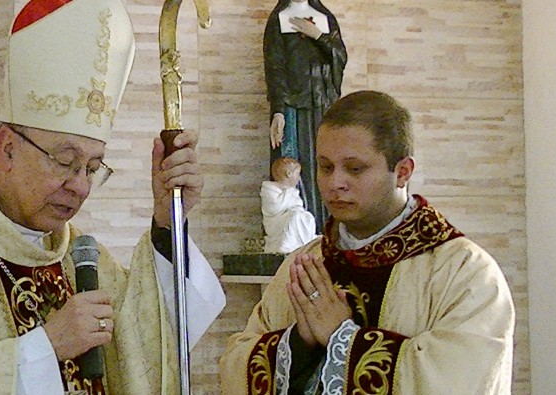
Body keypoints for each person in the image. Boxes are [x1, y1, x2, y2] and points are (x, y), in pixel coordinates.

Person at [0, 0, 226, 393]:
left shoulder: (79, 254)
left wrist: (168, 219)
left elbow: (149, 348)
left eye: (93, 168)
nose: (79, 186)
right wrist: (47, 346)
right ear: (8, 148)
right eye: (65, 161)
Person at [220, 91, 515, 394]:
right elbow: (236, 363)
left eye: (354, 168)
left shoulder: (465, 273)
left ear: (402, 172)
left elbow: (462, 380)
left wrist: (342, 338)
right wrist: (297, 344)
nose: (335, 182)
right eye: (325, 166)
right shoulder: (304, 265)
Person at [264, 0, 347, 232]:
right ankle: (299, 230)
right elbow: (275, 67)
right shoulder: (279, 18)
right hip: (292, 105)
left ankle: (328, 228)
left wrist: (319, 36)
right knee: (293, 163)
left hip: (323, 104)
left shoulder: (324, 17)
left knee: (326, 162)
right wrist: (278, 109)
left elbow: (340, 57)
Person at [261, 157, 317, 254]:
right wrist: (288, 192)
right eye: (298, 174)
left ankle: (307, 241)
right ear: (289, 174)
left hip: (289, 217)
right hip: (277, 223)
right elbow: (273, 208)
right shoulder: (269, 189)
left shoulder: (293, 192)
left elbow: (298, 206)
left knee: (306, 217)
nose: (299, 178)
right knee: (295, 217)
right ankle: (286, 245)